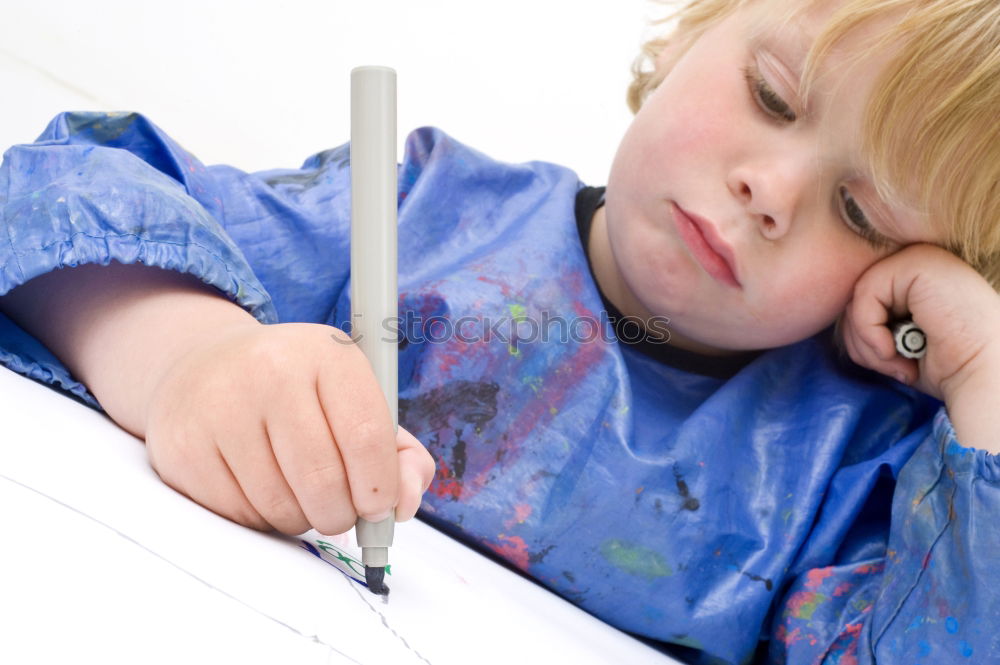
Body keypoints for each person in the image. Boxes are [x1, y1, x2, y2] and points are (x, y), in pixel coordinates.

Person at [1, 0, 998, 662]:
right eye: (770, 96)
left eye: (861, 214)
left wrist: (986, 377)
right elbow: (62, 196)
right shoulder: (428, 212)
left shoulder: (850, 463)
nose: (770, 190)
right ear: (689, 35)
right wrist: (187, 360)